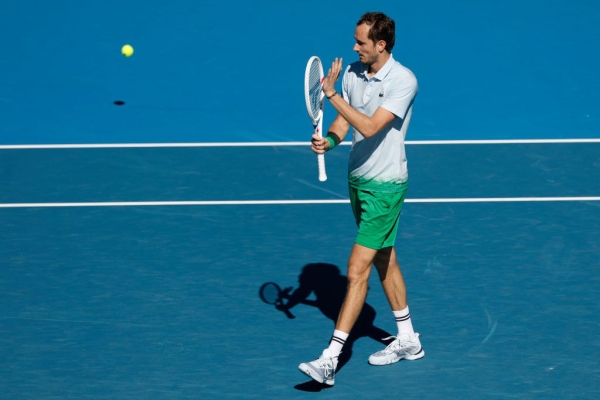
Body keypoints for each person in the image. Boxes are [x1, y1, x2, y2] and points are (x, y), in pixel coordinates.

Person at [297, 11, 424, 386]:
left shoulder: (403, 80)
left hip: (386, 186)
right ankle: (408, 339)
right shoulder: (352, 73)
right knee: (384, 257)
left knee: (356, 271)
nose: (354, 47)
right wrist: (329, 141)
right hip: (358, 181)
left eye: (361, 42)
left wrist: (332, 95)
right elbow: (345, 123)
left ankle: (329, 360)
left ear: (381, 44)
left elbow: (369, 127)